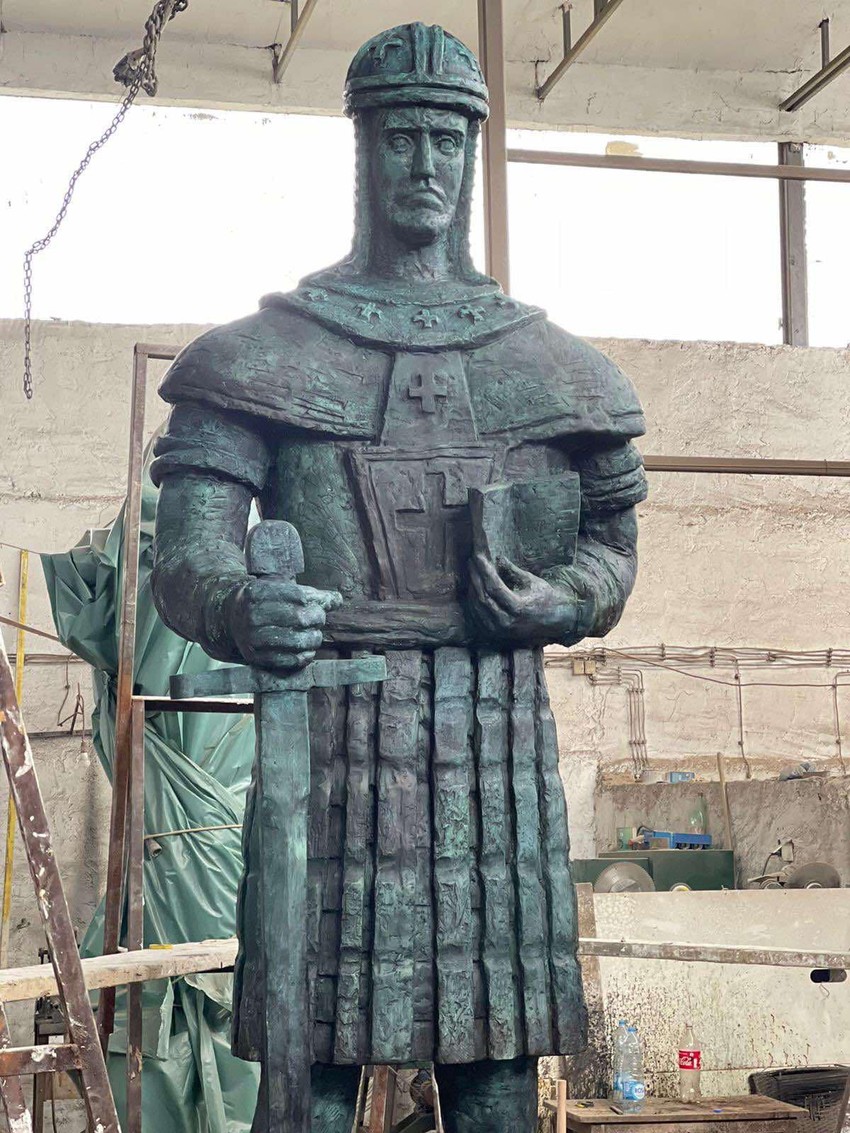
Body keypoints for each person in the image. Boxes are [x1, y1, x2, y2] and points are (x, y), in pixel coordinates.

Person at [150, 22, 647, 1133]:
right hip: (329, 738)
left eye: (446, 139)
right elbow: (185, 555)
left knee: (495, 1067)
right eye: (401, 138)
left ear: (471, 153)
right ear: (363, 146)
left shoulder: (552, 366)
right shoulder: (265, 354)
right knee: (315, 1071)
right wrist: (239, 604)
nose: (425, 164)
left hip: (495, 739)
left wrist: (567, 598)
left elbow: (611, 545)